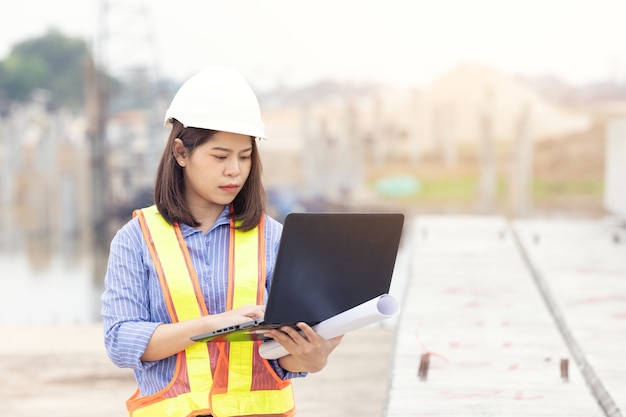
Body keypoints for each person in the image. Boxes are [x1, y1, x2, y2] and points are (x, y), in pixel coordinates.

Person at [101, 66, 343, 417]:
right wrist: (216, 324)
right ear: (181, 153)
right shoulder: (136, 240)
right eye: (220, 156)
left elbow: (285, 358)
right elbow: (121, 341)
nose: (235, 170)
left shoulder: (272, 237)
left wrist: (313, 355)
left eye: (245, 157)